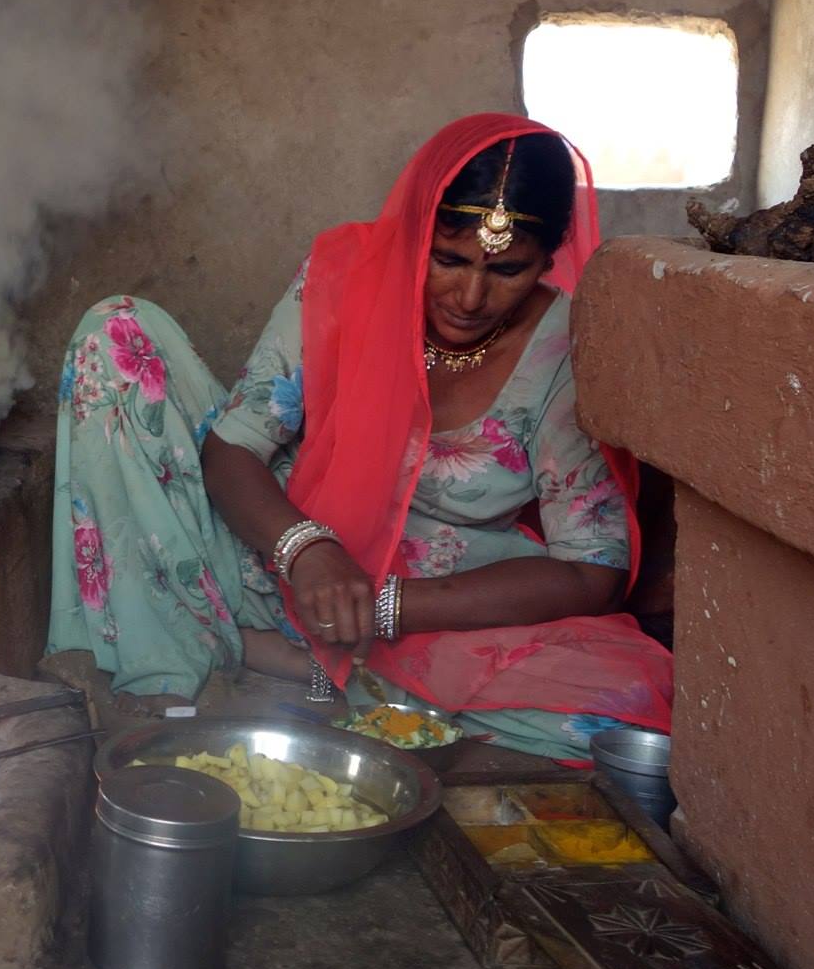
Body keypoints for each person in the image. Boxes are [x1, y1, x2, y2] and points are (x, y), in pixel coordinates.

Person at [44, 113, 671, 760]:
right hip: (280, 555)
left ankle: (281, 656)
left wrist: (388, 606)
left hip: (432, 602)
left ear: (548, 257)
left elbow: (591, 569)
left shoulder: (561, 347)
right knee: (115, 329)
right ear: (418, 229)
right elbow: (234, 448)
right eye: (448, 259)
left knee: (624, 723)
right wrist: (305, 549)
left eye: (508, 270)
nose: (470, 296)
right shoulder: (345, 278)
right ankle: (270, 655)